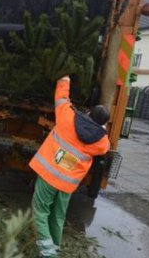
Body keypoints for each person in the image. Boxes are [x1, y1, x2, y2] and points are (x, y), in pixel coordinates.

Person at [29, 75, 111, 257]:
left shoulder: (67, 117)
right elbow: (106, 148)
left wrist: (65, 79)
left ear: (89, 112)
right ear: (103, 124)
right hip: (67, 183)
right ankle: (55, 247)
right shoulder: (102, 141)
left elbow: (61, 98)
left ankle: (48, 254)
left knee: (41, 212)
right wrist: (102, 129)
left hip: (49, 176)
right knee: (57, 216)